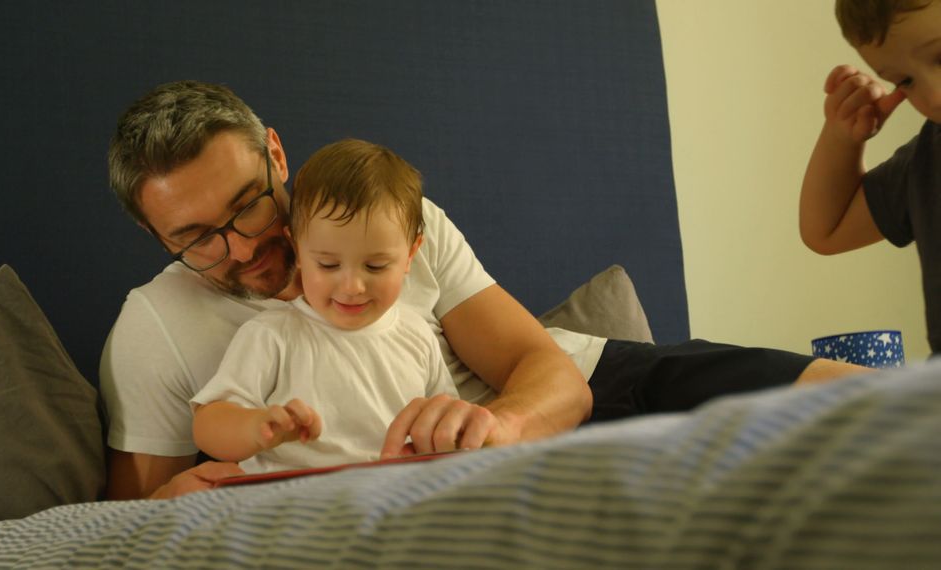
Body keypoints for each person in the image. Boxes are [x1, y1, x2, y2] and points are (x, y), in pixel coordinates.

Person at [102, 80, 866, 500]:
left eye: (248, 206)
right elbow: (134, 510)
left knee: (847, 398)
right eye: (197, 239)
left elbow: (553, 376)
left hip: (574, 392)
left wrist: (491, 429)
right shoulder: (157, 325)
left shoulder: (383, 220)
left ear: (275, 155)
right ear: (157, 240)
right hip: (432, 477)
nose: (243, 247)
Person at [190, 139, 458, 473]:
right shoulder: (272, 335)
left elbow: (447, 420)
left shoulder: (417, 335)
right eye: (328, 265)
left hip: (396, 494)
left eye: (375, 267)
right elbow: (207, 424)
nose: (352, 287)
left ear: (411, 254)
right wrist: (257, 428)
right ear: (298, 251)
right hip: (302, 500)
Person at [800, 0, 940, 353]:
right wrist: (841, 138)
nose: (934, 96)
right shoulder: (929, 155)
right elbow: (826, 231)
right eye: (904, 81)